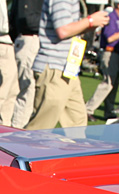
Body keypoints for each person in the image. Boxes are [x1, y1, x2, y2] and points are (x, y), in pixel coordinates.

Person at [25, 0, 110, 130]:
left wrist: (90, 24)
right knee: (40, 128)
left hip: (67, 70)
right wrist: (90, 21)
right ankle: (20, 149)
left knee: (77, 124)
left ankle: (74, 149)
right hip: (55, 69)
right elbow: (63, 30)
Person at [84, 0, 119, 121]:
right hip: (109, 52)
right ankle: (88, 109)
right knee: (107, 83)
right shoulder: (112, 18)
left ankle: (109, 111)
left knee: (113, 84)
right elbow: (110, 38)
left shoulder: (118, 19)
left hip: (116, 53)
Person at [9, 0, 43, 128]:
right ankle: (17, 134)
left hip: (28, 40)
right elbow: (28, 21)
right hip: (30, 40)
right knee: (28, 92)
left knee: (31, 92)